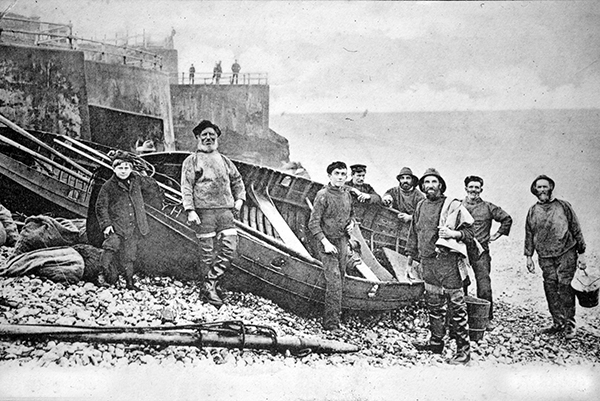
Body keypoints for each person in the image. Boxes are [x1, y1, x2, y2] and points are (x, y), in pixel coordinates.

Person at [406, 168, 474, 365]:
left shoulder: (452, 205)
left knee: (457, 306)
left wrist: (453, 235)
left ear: (441, 185)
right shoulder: (420, 205)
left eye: (434, 182)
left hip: (448, 263)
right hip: (428, 263)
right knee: (434, 303)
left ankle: (463, 351)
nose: (430, 185)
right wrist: (411, 260)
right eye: (426, 182)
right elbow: (414, 234)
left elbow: (470, 233)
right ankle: (436, 342)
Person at [181, 120, 246, 307]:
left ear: (217, 138)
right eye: (204, 136)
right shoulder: (191, 160)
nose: (208, 138)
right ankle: (209, 289)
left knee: (229, 249)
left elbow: (237, 180)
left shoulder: (224, 160)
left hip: (225, 212)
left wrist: (240, 200)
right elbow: (186, 187)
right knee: (207, 253)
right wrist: (190, 210)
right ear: (198, 138)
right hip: (204, 212)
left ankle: (211, 281)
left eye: (212, 136)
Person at [525, 175, 586, 340]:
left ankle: (569, 325)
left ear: (551, 188)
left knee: (565, 287)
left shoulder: (563, 206)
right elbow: (529, 234)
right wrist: (528, 256)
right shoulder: (532, 210)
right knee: (550, 288)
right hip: (545, 256)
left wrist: (582, 253)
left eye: (545, 186)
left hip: (566, 252)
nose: (543, 190)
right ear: (535, 190)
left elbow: (576, 228)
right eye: (539, 187)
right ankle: (557, 322)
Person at [95, 152, 162, 290]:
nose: (123, 171)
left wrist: (143, 174)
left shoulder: (136, 180)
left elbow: (152, 185)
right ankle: (101, 275)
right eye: (120, 168)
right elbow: (101, 206)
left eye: (126, 168)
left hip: (133, 226)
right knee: (111, 246)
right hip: (116, 225)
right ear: (114, 169)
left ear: (131, 169)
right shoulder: (108, 186)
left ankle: (129, 283)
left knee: (130, 254)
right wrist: (106, 225)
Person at [308, 161, 354, 334]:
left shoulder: (347, 194)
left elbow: (352, 216)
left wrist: (351, 225)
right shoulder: (323, 195)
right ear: (329, 176)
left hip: (342, 241)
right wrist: (325, 243)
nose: (341, 177)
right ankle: (331, 324)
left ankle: (336, 315)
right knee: (334, 280)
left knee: (341, 278)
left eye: (343, 174)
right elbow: (313, 223)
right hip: (326, 242)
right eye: (337, 174)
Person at [462, 175, 512, 328]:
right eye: (471, 187)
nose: (474, 190)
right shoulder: (458, 206)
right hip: (461, 250)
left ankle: (486, 319)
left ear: (481, 189)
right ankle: (461, 316)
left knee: (484, 285)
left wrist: (496, 235)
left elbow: (507, 219)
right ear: (466, 189)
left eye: (477, 187)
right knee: (461, 282)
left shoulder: (488, 207)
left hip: (480, 251)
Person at [382, 167, 425, 242]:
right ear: (399, 180)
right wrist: (386, 198)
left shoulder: (419, 196)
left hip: (411, 230)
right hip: (393, 226)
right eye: (402, 178)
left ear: (412, 180)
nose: (405, 181)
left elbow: (423, 216)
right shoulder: (394, 191)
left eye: (408, 178)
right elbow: (386, 196)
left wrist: (410, 217)